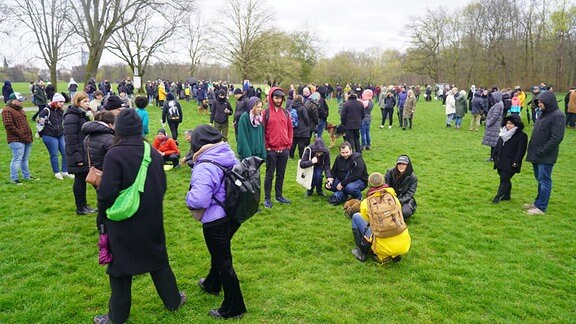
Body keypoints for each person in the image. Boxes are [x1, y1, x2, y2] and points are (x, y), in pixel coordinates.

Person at [94, 108, 186, 324]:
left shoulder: (114, 154)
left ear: (119, 129)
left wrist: (103, 215)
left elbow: (106, 193)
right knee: (157, 260)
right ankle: (174, 301)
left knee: (120, 270)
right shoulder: (151, 152)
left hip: (124, 221)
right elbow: (162, 185)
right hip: (152, 217)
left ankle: (116, 317)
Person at [185, 125, 247, 319]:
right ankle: (212, 283)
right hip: (232, 214)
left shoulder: (205, 166)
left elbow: (199, 200)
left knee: (223, 262)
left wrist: (187, 196)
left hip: (216, 220)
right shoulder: (226, 154)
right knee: (219, 253)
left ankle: (234, 307)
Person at [350, 172, 411, 263]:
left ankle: (362, 251)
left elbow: (366, 220)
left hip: (382, 247)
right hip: (404, 245)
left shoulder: (366, 203)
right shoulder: (394, 198)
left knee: (356, 217)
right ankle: (394, 253)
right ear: (383, 182)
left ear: (369, 185)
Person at [524, 91, 565, 215]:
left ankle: (541, 207)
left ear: (549, 102)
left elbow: (557, 137)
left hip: (545, 155)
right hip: (536, 153)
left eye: (542, 102)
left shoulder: (558, 116)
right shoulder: (542, 114)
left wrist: (544, 151)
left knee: (544, 180)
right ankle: (537, 203)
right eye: (538, 102)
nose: (539, 104)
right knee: (539, 179)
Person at [63, 92, 97, 215]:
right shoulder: (71, 117)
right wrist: (77, 157)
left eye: (88, 101)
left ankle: (84, 205)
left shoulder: (83, 115)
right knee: (80, 180)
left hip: (84, 151)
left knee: (82, 180)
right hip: (77, 153)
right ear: (78, 102)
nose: (87, 103)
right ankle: (80, 207)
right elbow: (71, 139)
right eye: (84, 101)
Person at [263, 87, 293, 208]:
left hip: (284, 149)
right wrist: (267, 147)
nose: (278, 100)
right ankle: (267, 198)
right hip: (271, 150)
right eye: (276, 97)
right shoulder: (266, 113)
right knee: (269, 175)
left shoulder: (285, 113)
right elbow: (262, 131)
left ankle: (279, 196)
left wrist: (288, 145)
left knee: (281, 174)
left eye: (280, 98)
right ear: (271, 98)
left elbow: (290, 129)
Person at [491, 115, 528, 204]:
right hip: (500, 160)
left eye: (511, 124)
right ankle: (507, 196)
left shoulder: (521, 135)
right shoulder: (503, 133)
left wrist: (516, 161)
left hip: (511, 162)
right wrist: (494, 156)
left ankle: (498, 197)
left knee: (504, 178)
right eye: (507, 123)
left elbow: (521, 150)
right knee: (504, 179)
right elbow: (498, 146)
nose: (509, 125)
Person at [38, 93, 73, 180]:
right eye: (60, 102)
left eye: (63, 102)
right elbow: (40, 123)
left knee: (65, 152)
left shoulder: (60, 110)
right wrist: (41, 133)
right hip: (49, 135)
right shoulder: (46, 111)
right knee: (54, 154)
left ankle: (65, 171)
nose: (62, 104)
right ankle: (57, 172)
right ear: (55, 102)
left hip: (60, 134)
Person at [2, 92, 35, 184]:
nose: (21, 102)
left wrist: (28, 134)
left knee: (25, 159)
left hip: (27, 138)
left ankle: (27, 176)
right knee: (17, 158)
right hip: (16, 140)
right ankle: (14, 178)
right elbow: (9, 125)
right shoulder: (7, 110)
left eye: (22, 100)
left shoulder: (20, 110)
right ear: (13, 101)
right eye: (19, 100)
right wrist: (21, 134)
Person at [81, 110, 115, 182]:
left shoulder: (87, 137)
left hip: (95, 173)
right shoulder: (110, 139)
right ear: (110, 124)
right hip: (108, 174)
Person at [385, 155, 418, 220]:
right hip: (389, 197)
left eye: (403, 164)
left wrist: (398, 201)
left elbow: (410, 193)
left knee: (405, 212)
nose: (401, 166)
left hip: (404, 200)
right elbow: (385, 186)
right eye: (399, 164)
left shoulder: (413, 177)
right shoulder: (390, 172)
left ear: (407, 166)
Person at [482, 91, 504, 161]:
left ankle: (493, 157)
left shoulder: (498, 105)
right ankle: (493, 157)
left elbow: (495, 116)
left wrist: (488, 123)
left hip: (494, 126)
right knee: (494, 144)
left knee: (494, 144)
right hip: (495, 126)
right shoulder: (500, 104)